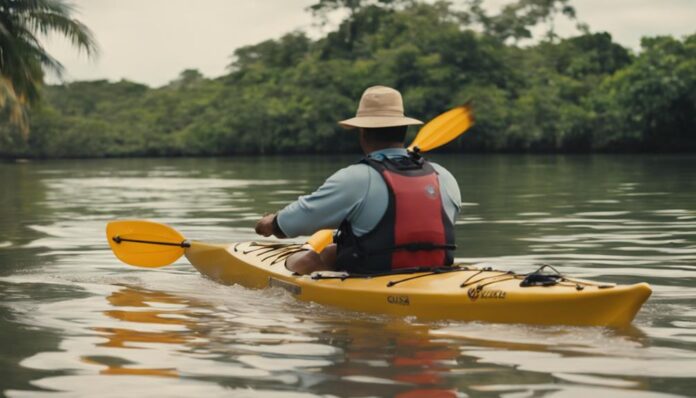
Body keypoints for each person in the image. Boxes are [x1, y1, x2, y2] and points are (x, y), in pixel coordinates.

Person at [255, 85, 461, 274]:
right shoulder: (443, 176)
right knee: (335, 250)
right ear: (404, 130)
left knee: (310, 259)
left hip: (377, 275)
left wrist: (269, 223)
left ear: (362, 132)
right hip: (435, 272)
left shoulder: (355, 179)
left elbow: (289, 225)